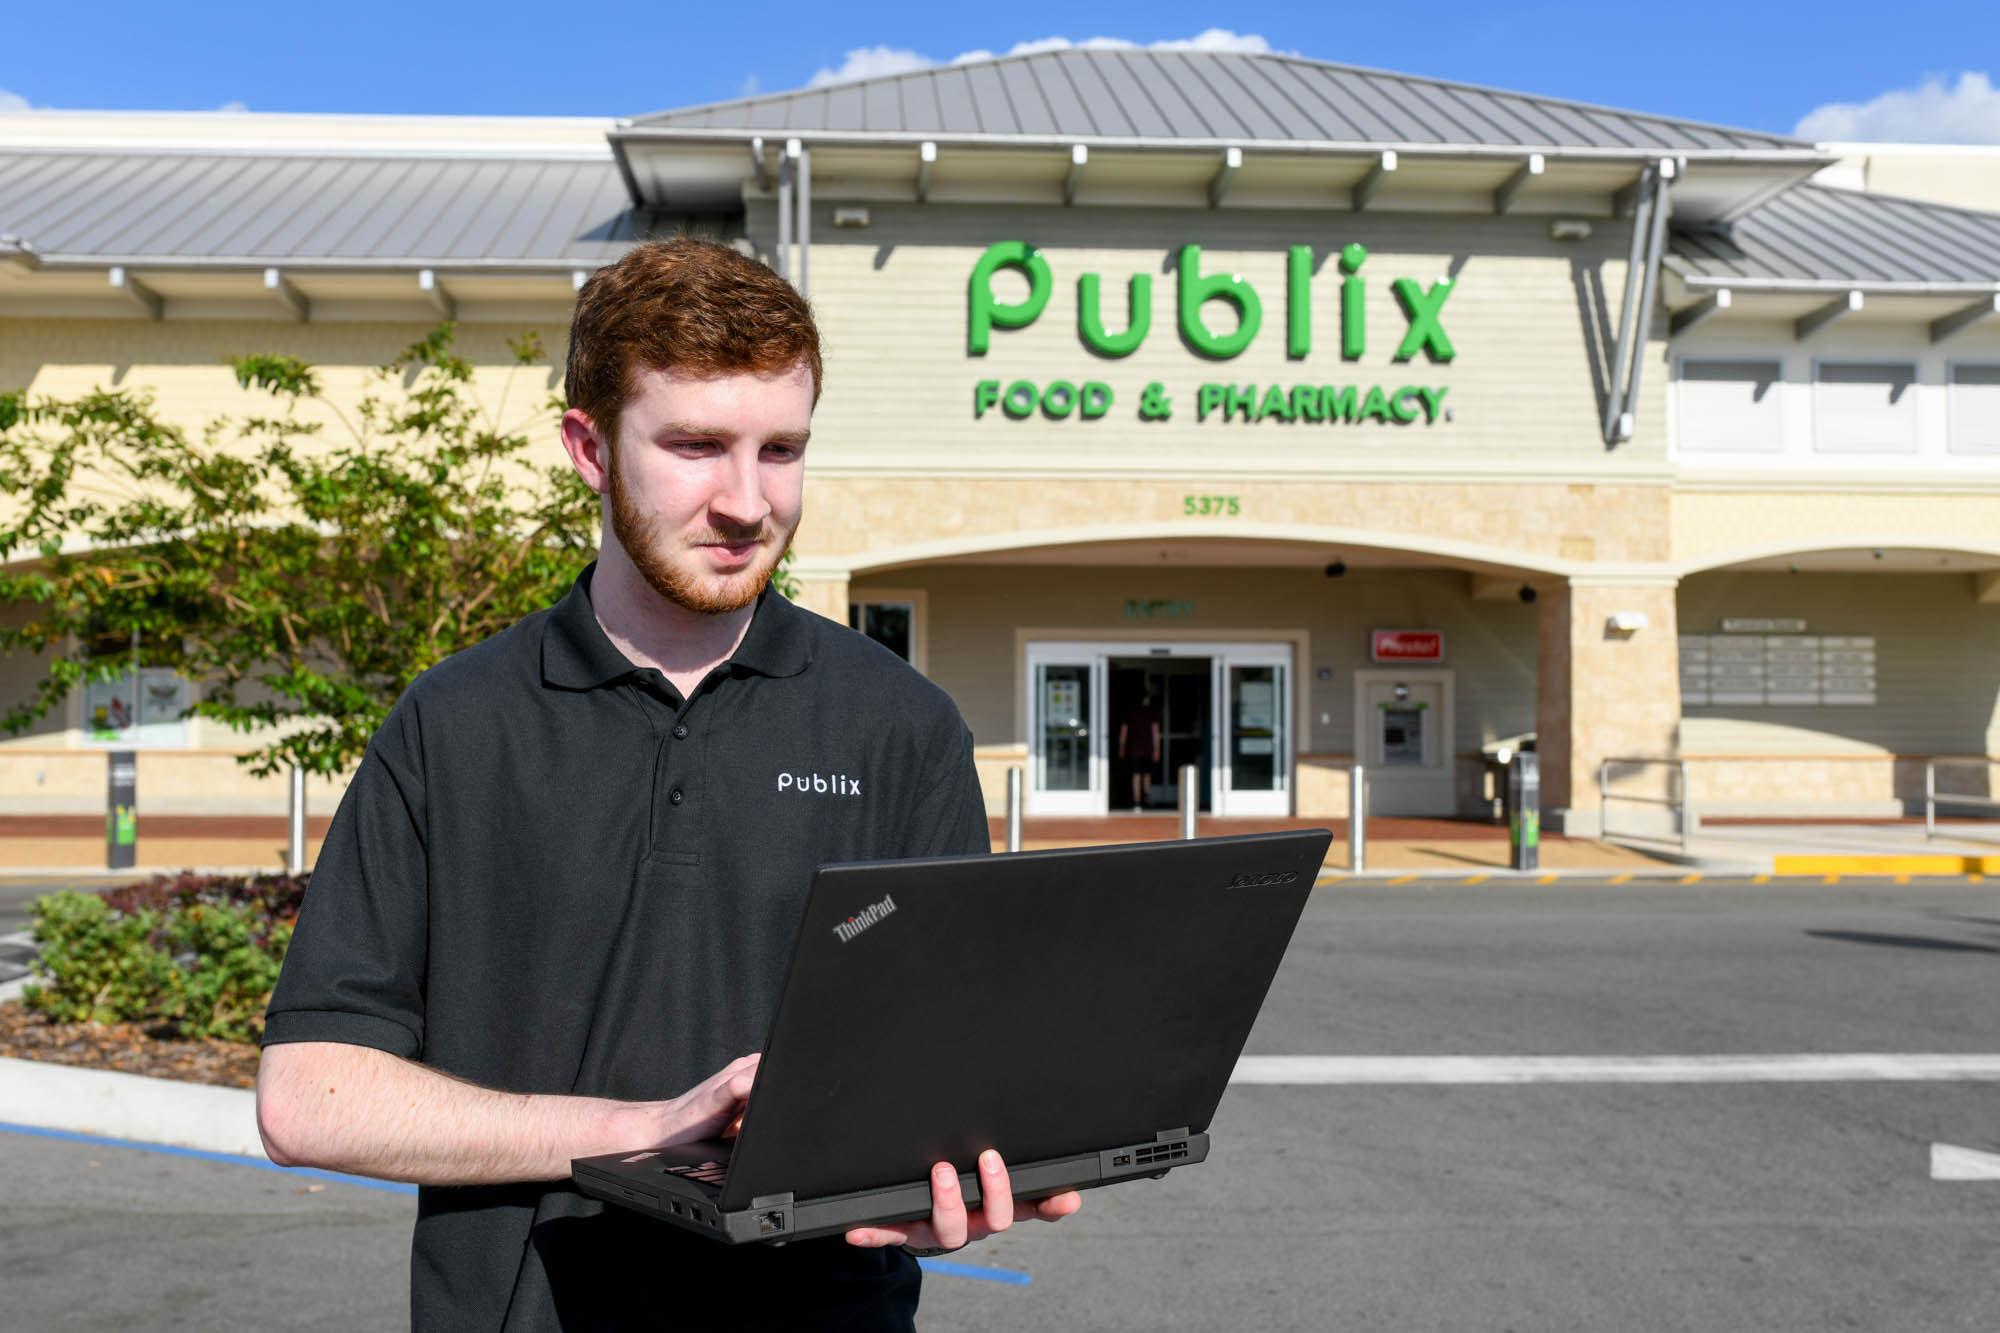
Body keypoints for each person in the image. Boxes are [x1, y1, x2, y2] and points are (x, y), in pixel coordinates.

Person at [255, 238, 1080, 1331]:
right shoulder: (453, 724)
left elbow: (944, 1064)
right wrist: (653, 1125)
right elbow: (309, 1095)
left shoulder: (902, 727)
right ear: (588, 449)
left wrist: (951, 1175)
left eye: (779, 448)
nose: (748, 501)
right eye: (695, 446)